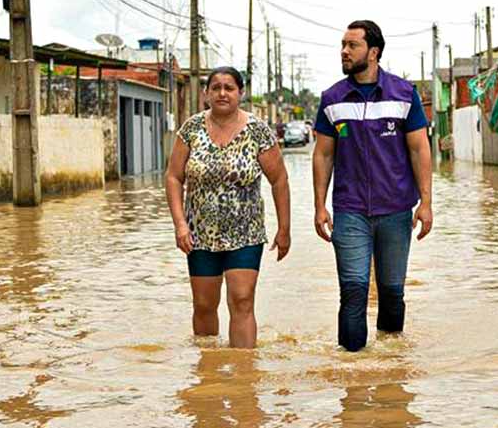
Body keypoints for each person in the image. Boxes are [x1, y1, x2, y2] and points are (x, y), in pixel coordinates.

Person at [312, 20, 433, 352]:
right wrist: (319, 205)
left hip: (396, 209)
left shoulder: (404, 94)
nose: (344, 51)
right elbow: (323, 154)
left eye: (352, 45)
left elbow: (419, 149)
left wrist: (426, 202)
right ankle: (352, 372)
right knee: (353, 291)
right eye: (343, 45)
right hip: (350, 211)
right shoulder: (332, 98)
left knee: (392, 292)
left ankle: (389, 366)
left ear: (374, 52)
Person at [165, 66, 291, 349]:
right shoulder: (191, 129)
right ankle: (209, 371)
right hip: (199, 234)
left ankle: (243, 376)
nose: (223, 93)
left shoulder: (258, 131)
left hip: (245, 233)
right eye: (216, 88)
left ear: (240, 94)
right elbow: (174, 177)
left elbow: (279, 179)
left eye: (229, 88)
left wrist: (284, 229)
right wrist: (180, 224)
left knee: (242, 299)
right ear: (207, 93)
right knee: (204, 304)